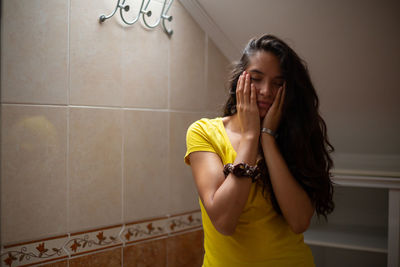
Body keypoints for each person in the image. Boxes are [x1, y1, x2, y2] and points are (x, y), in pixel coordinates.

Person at [184, 34, 334, 267]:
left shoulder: (296, 136)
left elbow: (299, 221)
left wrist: (267, 138)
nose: (266, 91)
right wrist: (251, 136)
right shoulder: (204, 132)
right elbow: (224, 222)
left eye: (278, 83)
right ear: (239, 80)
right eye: (256, 79)